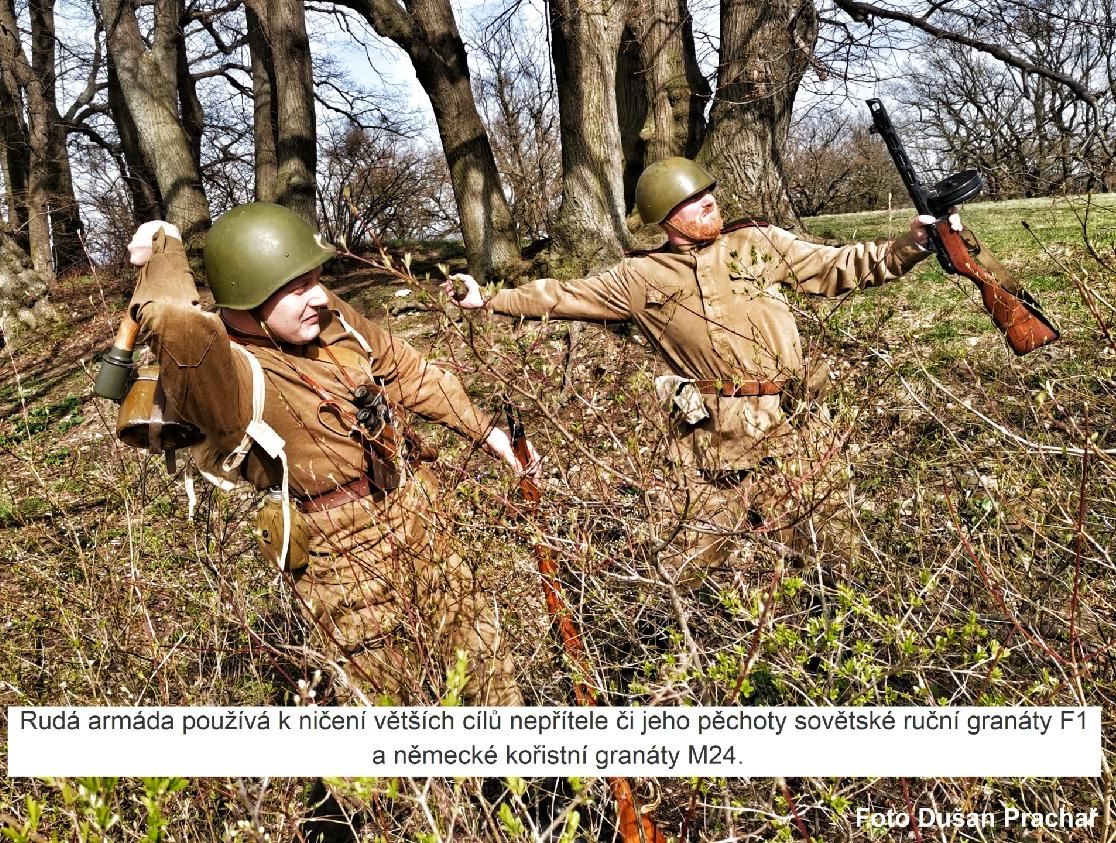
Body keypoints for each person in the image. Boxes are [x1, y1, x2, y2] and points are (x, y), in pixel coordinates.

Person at [447, 157, 961, 585]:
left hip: (790, 426)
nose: (708, 201)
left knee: (830, 556)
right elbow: (561, 296)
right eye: (692, 200)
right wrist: (487, 299)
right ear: (665, 218)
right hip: (706, 441)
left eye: (708, 193)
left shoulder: (758, 243)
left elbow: (841, 265)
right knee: (687, 568)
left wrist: (913, 242)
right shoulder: (639, 276)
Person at [126, 202, 533, 706]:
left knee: (487, 669)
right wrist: (163, 251)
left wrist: (486, 431)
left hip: (415, 508)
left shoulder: (324, 318)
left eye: (316, 279)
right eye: (299, 287)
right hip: (337, 554)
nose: (319, 295)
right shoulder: (218, 371)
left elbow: (406, 370)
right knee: (388, 702)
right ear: (248, 295)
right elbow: (174, 321)